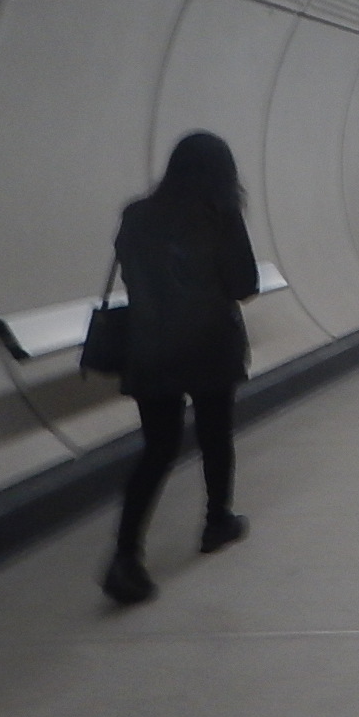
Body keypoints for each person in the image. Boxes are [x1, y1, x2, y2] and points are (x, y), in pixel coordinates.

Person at [101, 131, 259, 605]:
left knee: (157, 449)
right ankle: (216, 522)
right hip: (209, 344)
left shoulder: (136, 215)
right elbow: (244, 283)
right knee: (215, 435)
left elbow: (133, 274)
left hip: (151, 348)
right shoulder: (219, 215)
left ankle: (125, 555)